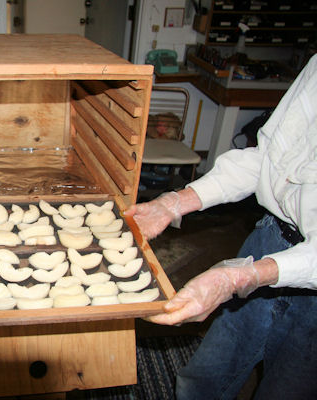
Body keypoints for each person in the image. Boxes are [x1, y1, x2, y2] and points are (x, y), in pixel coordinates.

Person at [125, 53, 317, 400]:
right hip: (270, 238)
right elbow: (267, 160)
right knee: (204, 378)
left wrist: (238, 278)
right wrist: (174, 203)